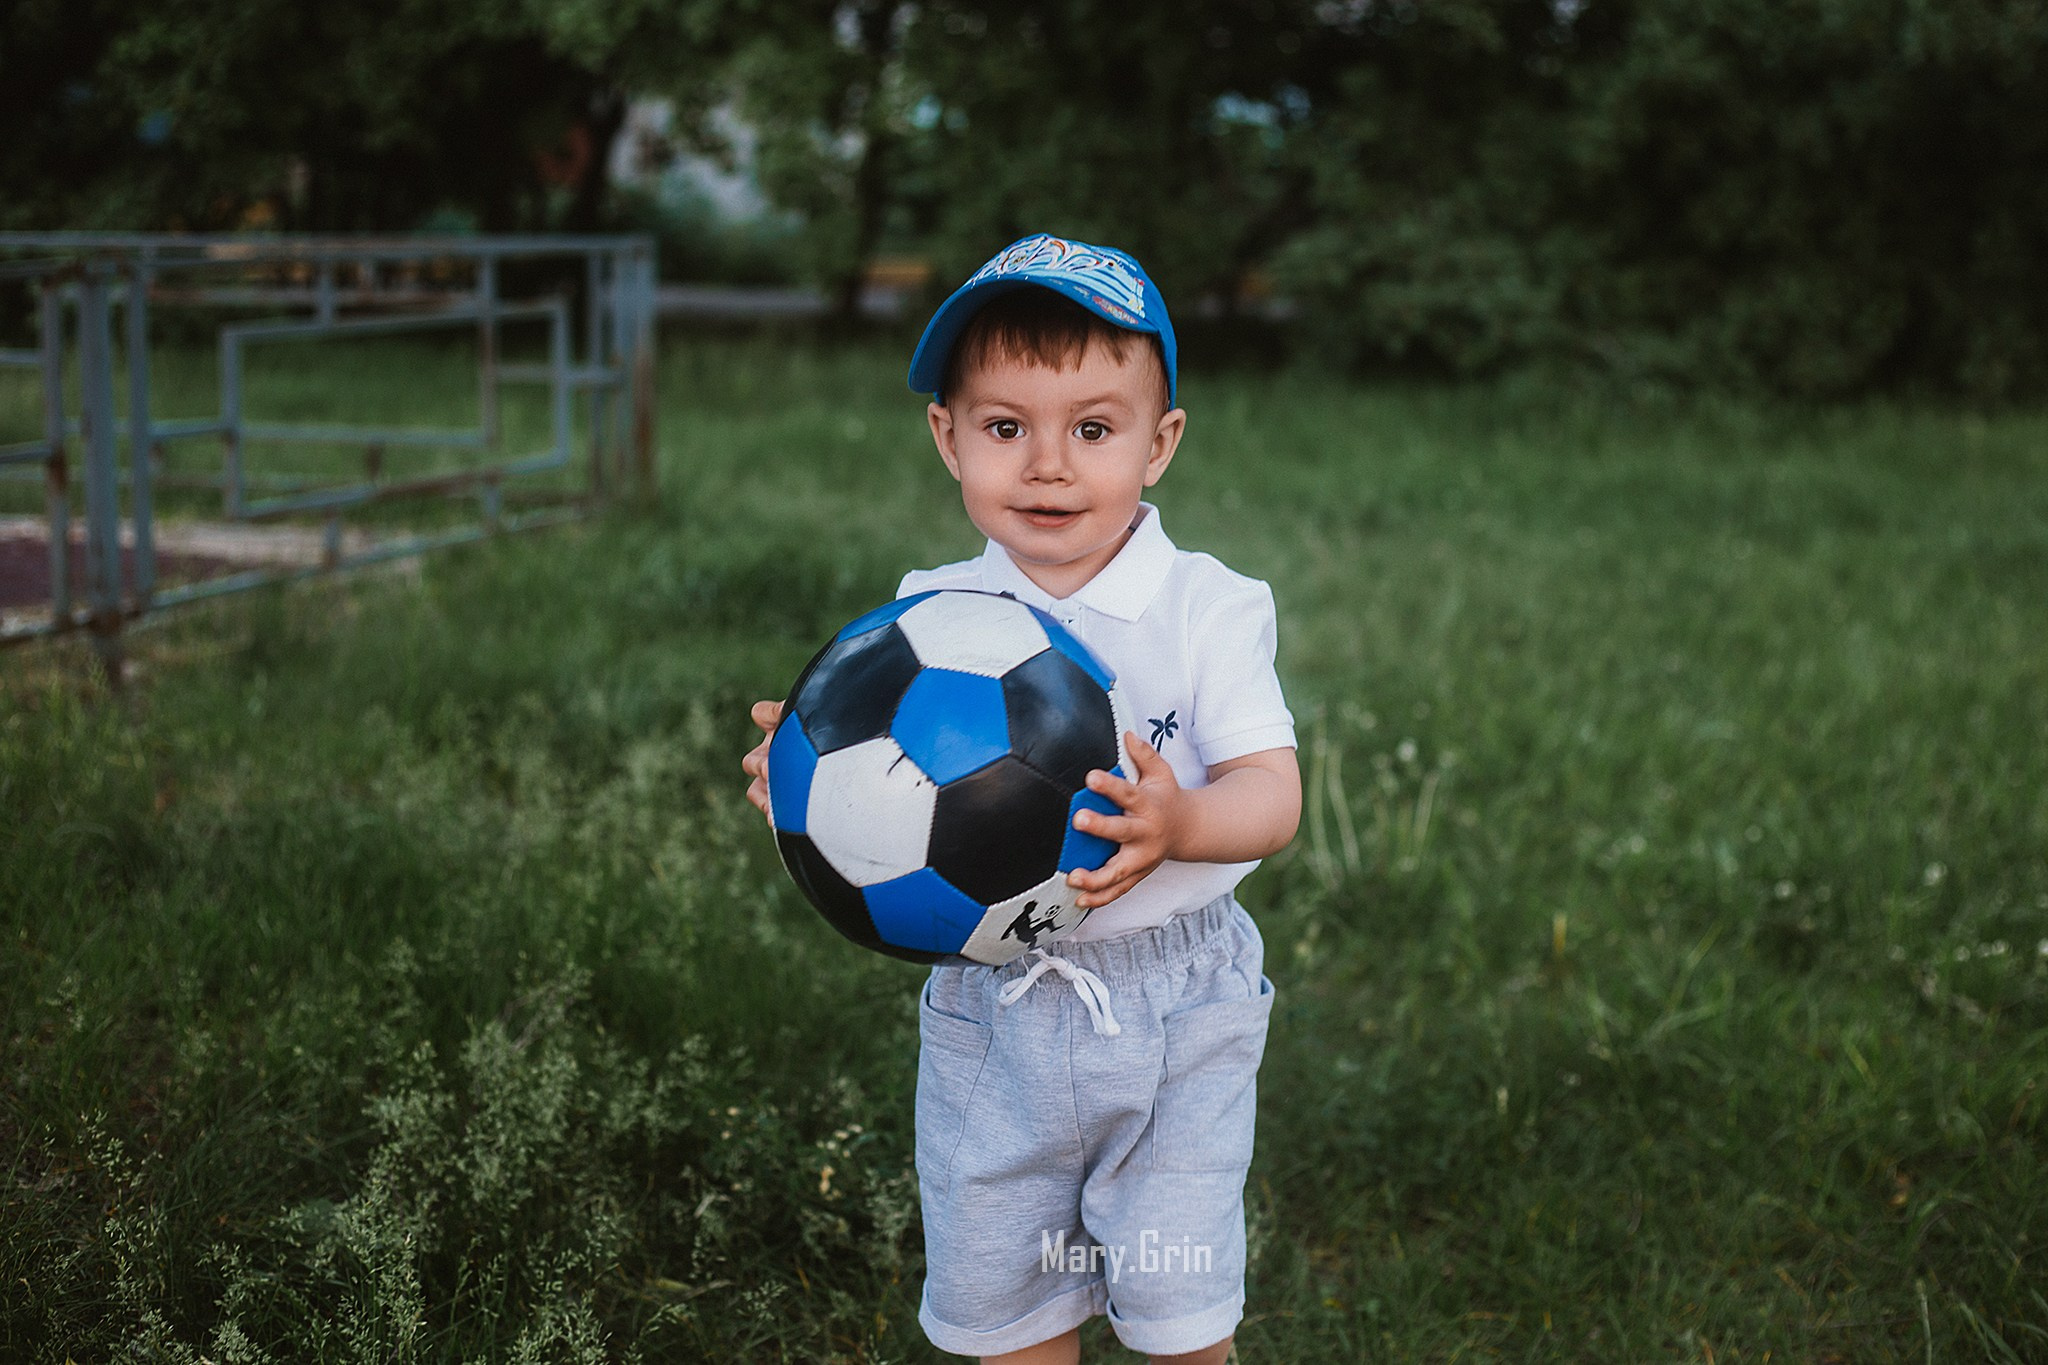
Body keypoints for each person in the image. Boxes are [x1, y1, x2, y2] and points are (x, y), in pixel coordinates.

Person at [741, 233, 1300, 1365]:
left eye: (1092, 430)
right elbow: (879, 783)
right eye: (1005, 428)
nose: (1048, 465)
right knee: (1008, 1303)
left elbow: (1272, 794)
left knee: (1179, 1308)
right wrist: (805, 791)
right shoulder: (920, 617)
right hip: (992, 1012)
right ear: (947, 438)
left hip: (1172, 1013)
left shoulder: (1207, 608)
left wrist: (1181, 822)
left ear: (1159, 445)